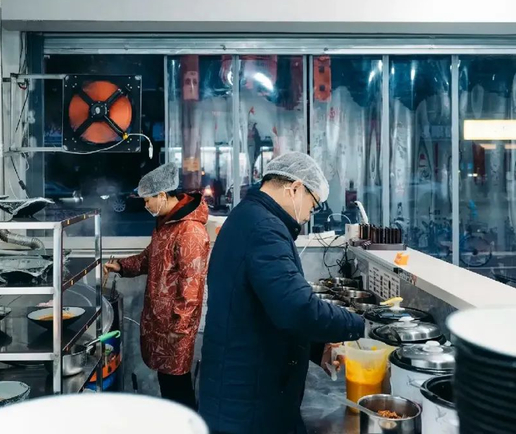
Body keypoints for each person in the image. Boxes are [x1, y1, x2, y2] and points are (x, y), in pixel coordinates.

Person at [199, 152, 365, 434]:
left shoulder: (247, 216)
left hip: (241, 391)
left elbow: (264, 308)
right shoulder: (265, 229)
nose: (309, 215)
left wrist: (317, 348)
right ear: (295, 188)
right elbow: (296, 308)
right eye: (313, 204)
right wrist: (361, 326)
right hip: (249, 404)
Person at [104, 162, 210, 409]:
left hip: (175, 326)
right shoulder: (167, 225)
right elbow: (148, 259)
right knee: (167, 382)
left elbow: (192, 286)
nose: (146, 205)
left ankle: (186, 424)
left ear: (162, 195)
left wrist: (179, 327)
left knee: (178, 386)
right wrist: (120, 265)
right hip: (160, 323)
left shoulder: (190, 231)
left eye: (147, 200)